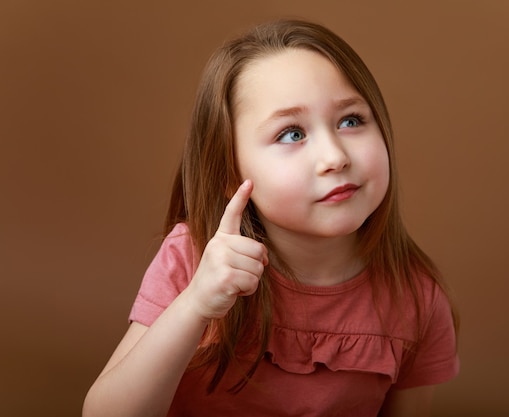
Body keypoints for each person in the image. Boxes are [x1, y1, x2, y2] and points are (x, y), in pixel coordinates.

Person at [83, 18, 459, 417]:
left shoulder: (416, 298)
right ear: (230, 171)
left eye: (351, 121)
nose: (335, 157)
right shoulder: (193, 261)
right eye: (291, 134)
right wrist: (195, 305)